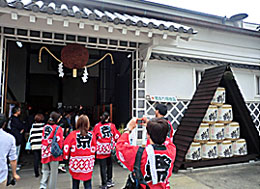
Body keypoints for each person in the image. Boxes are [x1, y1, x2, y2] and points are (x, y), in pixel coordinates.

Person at [116, 117, 176, 188]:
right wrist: (155, 128)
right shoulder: (171, 150)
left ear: (147, 135)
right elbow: (165, 138)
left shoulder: (139, 153)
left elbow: (120, 146)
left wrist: (128, 129)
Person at [63, 115, 96, 189]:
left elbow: (66, 146)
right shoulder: (92, 135)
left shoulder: (72, 134)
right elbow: (94, 147)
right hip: (87, 163)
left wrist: (65, 157)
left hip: (76, 163)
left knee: (75, 184)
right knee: (88, 184)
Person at [93, 112, 121, 189]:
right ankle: (109, 180)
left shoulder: (97, 126)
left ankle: (104, 183)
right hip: (109, 148)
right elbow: (117, 135)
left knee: (103, 167)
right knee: (109, 165)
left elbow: (94, 137)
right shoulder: (111, 126)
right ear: (108, 118)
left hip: (101, 149)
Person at [40, 111, 64, 189]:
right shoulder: (58, 128)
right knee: (53, 173)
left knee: (45, 170)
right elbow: (60, 141)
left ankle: (42, 186)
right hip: (53, 152)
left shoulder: (45, 127)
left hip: (44, 150)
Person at [0, 114, 20, 188]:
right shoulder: (9, 138)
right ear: (4, 124)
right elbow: (13, 159)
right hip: (1, 173)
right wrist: (14, 173)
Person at [28, 113, 45, 177]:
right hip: (42, 145)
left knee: (36, 159)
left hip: (35, 145)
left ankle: (36, 173)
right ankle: (43, 171)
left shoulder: (33, 127)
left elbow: (31, 136)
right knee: (43, 159)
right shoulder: (44, 127)